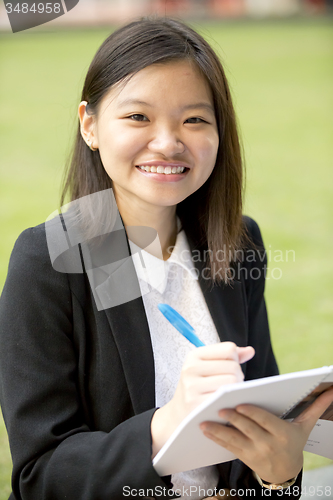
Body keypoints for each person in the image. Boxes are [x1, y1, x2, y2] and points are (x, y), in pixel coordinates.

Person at [0, 17, 332, 500]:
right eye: (138, 117)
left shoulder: (236, 243)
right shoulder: (52, 258)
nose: (168, 142)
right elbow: (41, 477)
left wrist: (278, 475)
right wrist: (169, 422)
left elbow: (263, 451)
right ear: (90, 125)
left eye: (194, 119)